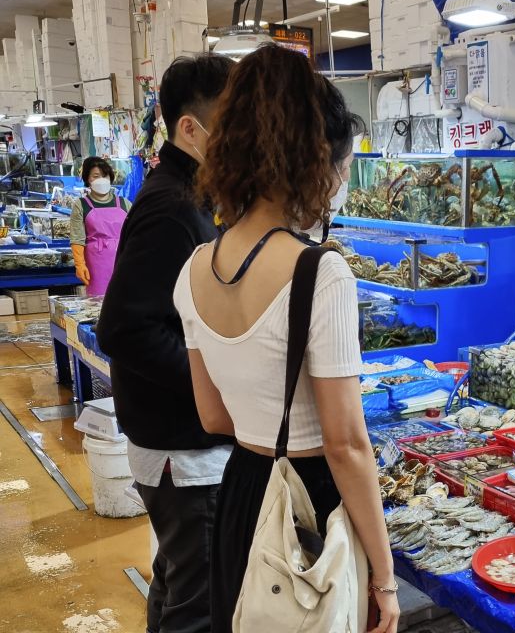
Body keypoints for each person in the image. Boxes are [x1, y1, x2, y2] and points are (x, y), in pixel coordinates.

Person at [174, 44, 399, 633]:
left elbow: (212, 415)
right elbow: (348, 445)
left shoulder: (195, 267)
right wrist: (385, 577)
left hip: (244, 494)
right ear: (312, 160)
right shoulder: (321, 273)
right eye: (340, 165)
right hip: (311, 505)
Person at [96, 54, 234, 633]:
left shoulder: (189, 196)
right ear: (190, 128)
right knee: (197, 608)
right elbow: (123, 329)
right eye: (232, 125)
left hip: (176, 446)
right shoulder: (170, 208)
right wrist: (213, 379)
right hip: (183, 454)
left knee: (178, 586)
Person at [69, 156, 131, 296]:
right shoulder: (81, 205)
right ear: (87, 179)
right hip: (96, 265)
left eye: (105, 175)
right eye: (96, 176)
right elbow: (77, 238)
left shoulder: (125, 203)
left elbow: (136, 233)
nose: (101, 180)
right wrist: (80, 264)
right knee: (99, 305)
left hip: (124, 260)